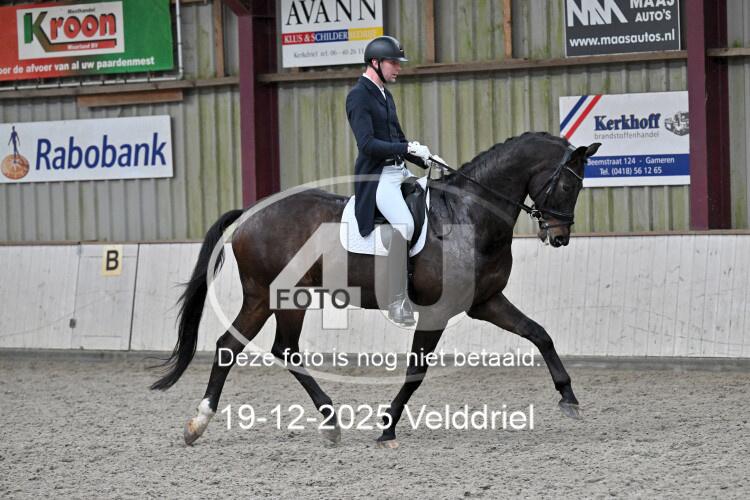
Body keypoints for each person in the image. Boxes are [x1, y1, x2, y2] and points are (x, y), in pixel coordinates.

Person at [345, 35, 436, 326]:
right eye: (393, 63)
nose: (398, 68)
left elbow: (397, 138)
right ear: (375, 62)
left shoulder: (385, 94)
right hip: (378, 176)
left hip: (399, 171)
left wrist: (423, 157)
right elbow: (367, 144)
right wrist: (405, 147)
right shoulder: (358, 96)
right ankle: (396, 300)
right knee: (405, 224)